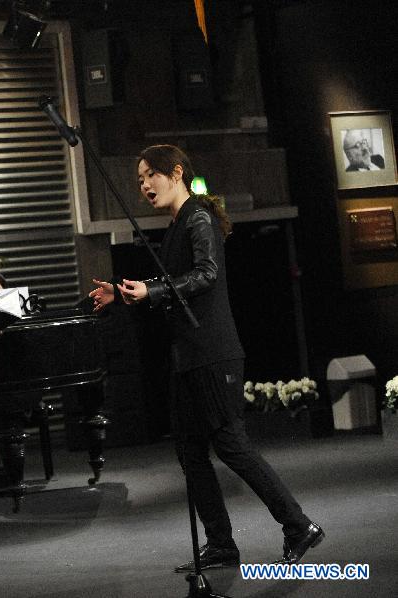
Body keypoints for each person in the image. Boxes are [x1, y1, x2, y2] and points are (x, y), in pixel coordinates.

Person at [90, 144, 323, 570]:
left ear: (176, 173)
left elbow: (206, 274)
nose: (143, 186)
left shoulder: (198, 217)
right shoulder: (180, 222)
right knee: (190, 451)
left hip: (213, 354)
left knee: (232, 446)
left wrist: (153, 290)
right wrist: (126, 296)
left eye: (150, 176)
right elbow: (174, 281)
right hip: (189, 357)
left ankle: (298, 525)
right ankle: (220, 544)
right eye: (139, 180)